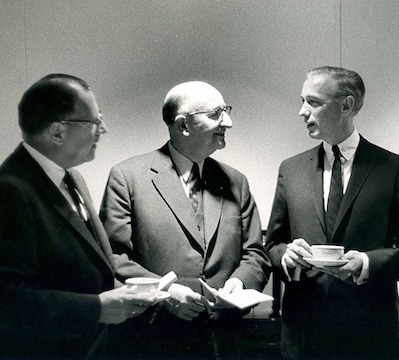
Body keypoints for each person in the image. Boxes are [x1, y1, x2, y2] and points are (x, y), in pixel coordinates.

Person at [100, 81, 271, 359]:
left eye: (226, 111)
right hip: (155, 341)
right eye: (216, 113)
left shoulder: (236, 181)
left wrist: (239, 284)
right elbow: (115, 256)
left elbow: (255, 253)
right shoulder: (127, 177)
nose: (228, 121)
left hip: (223, 340)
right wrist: (166, 293)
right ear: (183, 126)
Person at [265, 66, 399, 360]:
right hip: (303, 335)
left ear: (347, 105)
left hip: (368, 335)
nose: (302, 112)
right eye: (302, 101)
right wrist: (286, 255)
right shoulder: (291, 169)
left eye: (313, 102)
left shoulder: (393, 168)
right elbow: (272, 244)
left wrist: (367, 263)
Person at [0, 74, 160, 359]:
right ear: (57, 132)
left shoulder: (72, 177)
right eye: (94, 122)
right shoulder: (9, 190)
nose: (104, 129)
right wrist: (97, 308)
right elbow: (8, 299)